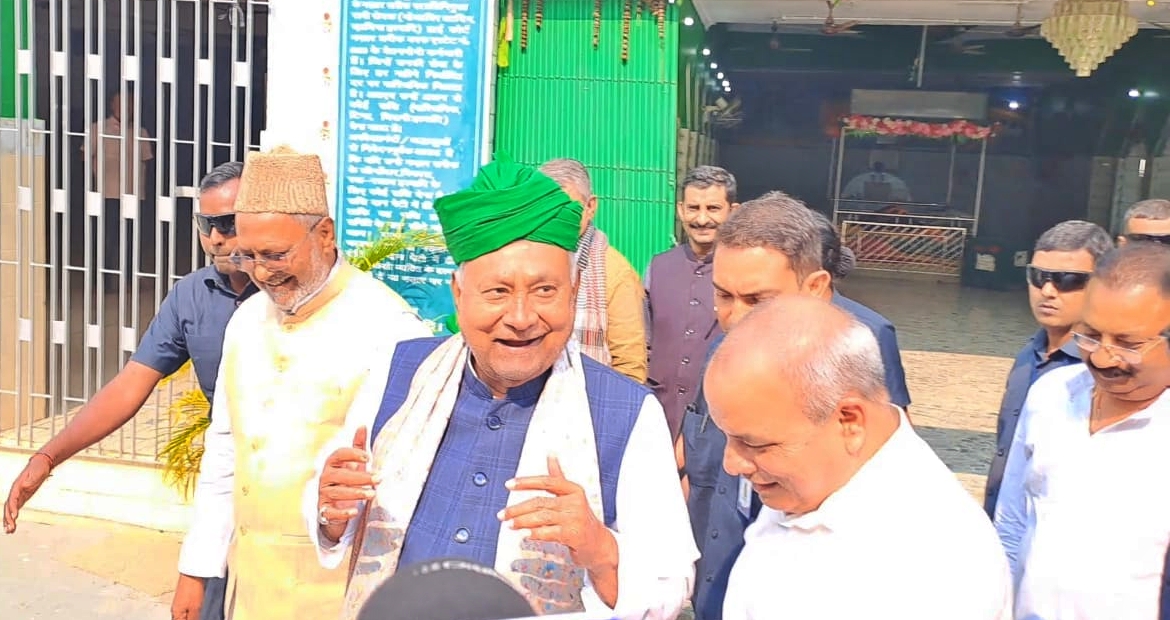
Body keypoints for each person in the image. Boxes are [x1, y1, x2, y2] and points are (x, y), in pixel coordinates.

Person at [309, 157, 696, 620]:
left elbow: (670, 586)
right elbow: (337, 513)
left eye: (544, 291)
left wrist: (599, 547)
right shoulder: (398, 372)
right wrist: (330, 513)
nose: (520, 317)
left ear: (573, 294)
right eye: (496, 292)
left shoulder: (627, 413)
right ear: (458, 294)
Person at [175, 146, 429, 620]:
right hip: (249, 588)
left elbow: (405, 484)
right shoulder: (248, 320)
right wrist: (197, 568)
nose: (262, 272)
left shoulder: (390, 328)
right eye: (248, 255)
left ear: (325, 235)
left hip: (339, 595)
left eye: (276, 254)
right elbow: (226, 450)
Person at [678, 193, 911, 620]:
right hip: (718, 576)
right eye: (723, 296)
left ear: (816, 288)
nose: (735, 317)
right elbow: (699, 458)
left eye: (758, 300)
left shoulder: (860, 346)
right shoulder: (720, 354)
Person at [709, 296, 1012, 619]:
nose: (732, 463)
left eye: (755, 444)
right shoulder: (814, 482)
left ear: (849, 421)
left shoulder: (933, 565)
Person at [995, 241, 1170, 619]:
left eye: (1128, 344)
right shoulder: (1051, 394)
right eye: (1089, 336)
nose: (1103, 357)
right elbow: (1013, 520)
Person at [982, 220, 1112, 517]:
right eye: (1039, 276)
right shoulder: (1030, 355)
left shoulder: (1108, 372)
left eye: (1068, 280)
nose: (1049, 291)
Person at [645, 166, 739, 439]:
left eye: (712, 209)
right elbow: (644, 344)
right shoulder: (658, 266)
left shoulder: (744, 273)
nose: (701, 219)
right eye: (693, 208)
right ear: (680, 209)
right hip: (659, 418)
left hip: (718, 425)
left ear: (732, 212)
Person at [537, 158, 648, 383]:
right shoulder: (527, 258)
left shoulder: (614, 272)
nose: (557, 218)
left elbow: (630, 368)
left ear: (591, 206)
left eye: (567, 208)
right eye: (545, 207)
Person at [85, 84, 155, 274]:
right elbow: (84, 159)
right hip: (106, 193)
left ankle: (130, 277)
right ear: (111, 105)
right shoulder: (96, 129)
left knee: (131, 239)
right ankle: (101, 279)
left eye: (131, 103)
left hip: (133, 194)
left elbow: (147, 163)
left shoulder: (140, 132)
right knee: (105, 238)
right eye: (122, 103)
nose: (127, 107)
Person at [840, 160, 911, 203]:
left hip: (889, 214)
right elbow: (845, 197)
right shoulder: (859, 180)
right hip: (862, 213)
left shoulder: (896, 182)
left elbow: (906, 200)